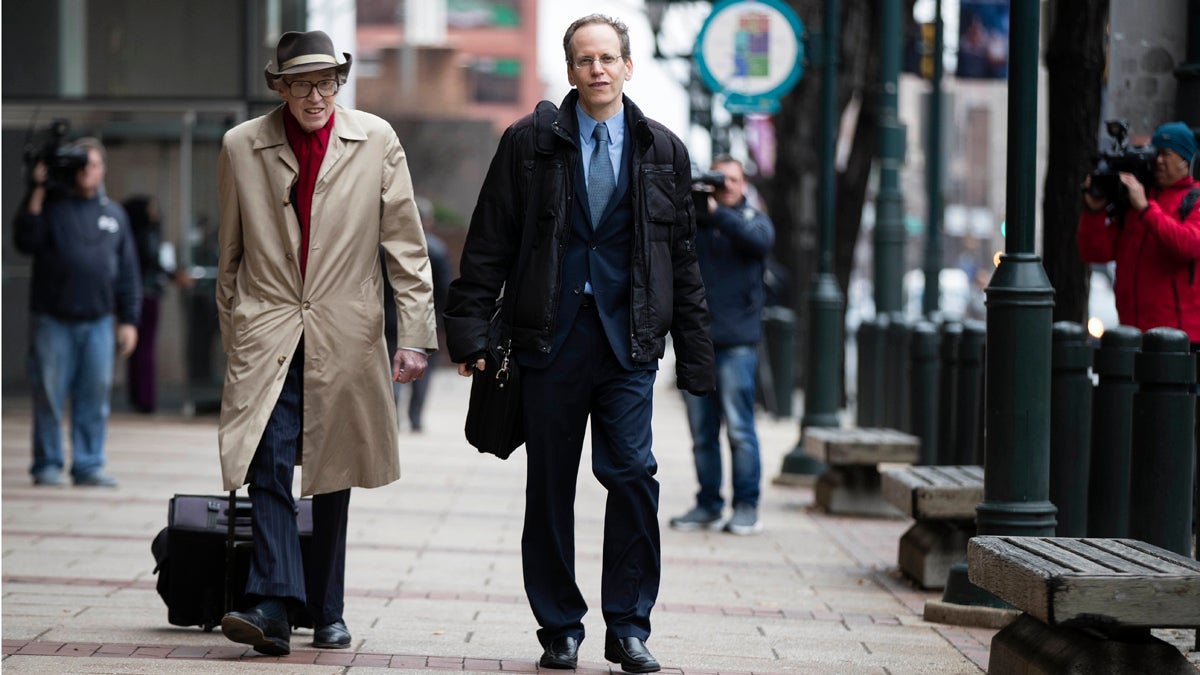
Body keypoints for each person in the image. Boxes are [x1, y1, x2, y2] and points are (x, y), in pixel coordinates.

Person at [444, 14, 714, 674]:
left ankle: (627, 625)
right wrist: (472, 329)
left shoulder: (665, 151)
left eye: (608, 58)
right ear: (569, 70)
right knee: (550, 487)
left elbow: (680, 258)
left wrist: (698, 353)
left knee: (632, 476)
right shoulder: (529, 143)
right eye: (584, 59)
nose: (597, 69)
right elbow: (489, 243)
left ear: (628, 67)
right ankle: (559, 624)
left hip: (628, 344)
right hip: (548, 340)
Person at [214, 30, 436, 656]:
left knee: (333, 468)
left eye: (327, 81)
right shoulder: (241, 146)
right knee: (268, 460)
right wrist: (238, 335)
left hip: (346, 331)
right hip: (269, 328)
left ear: (340, 82)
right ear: (279, 87)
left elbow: (406, 246)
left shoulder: (376, 140)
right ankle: (274, 604)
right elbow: (228, 255)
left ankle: (327, 609)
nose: (316, 95)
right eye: (302, 83)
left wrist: (414, 336)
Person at [14, 137, 141, 488]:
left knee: (94, 397)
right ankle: (47, 464)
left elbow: (128, 272)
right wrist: (37, 189)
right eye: (81, 165)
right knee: (49, 396)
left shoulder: (114, 215)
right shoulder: (52, 207)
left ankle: (87, 465)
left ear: (102, 170)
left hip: (99, 322)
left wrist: (128, 320)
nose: (89, 171)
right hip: (53, 320)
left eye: (95, 164)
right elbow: (25, 240)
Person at [669, 156, 774, 536]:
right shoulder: (696, 221)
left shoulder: (750, 220)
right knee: (702, 433)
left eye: (732, 179)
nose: (726, 185)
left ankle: (746, 506)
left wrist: (717, 214)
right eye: (719, 179)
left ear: (744, 184)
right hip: (697, 344)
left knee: (740, 430)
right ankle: (708, 504)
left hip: (737, 345)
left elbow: (759, 243)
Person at [1077, 121, 1200, 344]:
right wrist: (1094, 211)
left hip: (1180, 341)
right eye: (1155, 154)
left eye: (1166, 154)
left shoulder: (1193, 199)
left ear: (1185, 160)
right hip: (1132, 335)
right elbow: (1094, 252)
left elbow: (1189, 245)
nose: (1158, 161)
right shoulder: (1137, 202)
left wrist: (1146, 209)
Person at [124, 195, 193, 413]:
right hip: (148, 295)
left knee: (135, 349)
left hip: (135, 295)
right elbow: (157, 263)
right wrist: (175, 276)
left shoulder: (129, 236)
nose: (157, 212)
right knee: (145, 348)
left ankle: (138, 395)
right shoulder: (148, 235)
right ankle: (146, 399)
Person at [389, 196, 450, 432]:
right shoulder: (436, 249)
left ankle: (392, 416)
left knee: (389, 370)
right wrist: (443, 324)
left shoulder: (385, 247)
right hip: (425, 320)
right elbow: (444, 289)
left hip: (388, 318)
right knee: (422, 373)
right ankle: (415, 419)